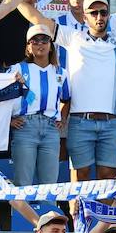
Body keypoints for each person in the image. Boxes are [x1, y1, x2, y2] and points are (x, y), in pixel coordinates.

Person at [17, 0, 116, 181]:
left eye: (103, 12)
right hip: (80, 121)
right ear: (85, 17)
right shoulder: (73, 36)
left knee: (107, 178)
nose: (99, 17)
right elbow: (37, 18)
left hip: (111, 123)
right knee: (79, 178)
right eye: (94, 13)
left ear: (108, 15)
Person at [7, 24, 70, 185]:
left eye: (44, 40)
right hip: (25, 126)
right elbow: (1, 97)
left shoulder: (61, 72)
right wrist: (9, 121)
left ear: (51, 45)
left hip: (51, 129)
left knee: (49, 184)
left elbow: (66, 99)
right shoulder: (17, 69)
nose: (40, 44)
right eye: (34, 41)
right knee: (23, 182)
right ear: (28, 47)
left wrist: (62, 119)